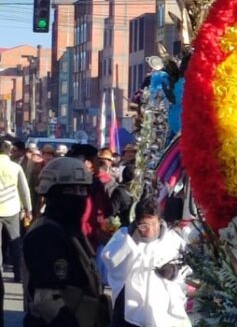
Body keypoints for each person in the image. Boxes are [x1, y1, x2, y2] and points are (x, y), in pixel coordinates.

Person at [22, 157, 111, 327]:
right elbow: (46, 300)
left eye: (82, 190)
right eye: (71, 190)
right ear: (52, 193)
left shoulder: (69, 228)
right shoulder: (45, 233)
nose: (79, 197)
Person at [102, 197, 191, 327]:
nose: (150, 231)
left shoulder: (172, 240)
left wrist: (174, 271)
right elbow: (110, 260)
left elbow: (187, 266)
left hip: (160, 311)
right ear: (137, 222)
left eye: (154, 225)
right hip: (129, 308)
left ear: (160, 221)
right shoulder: (124, 236)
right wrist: (130, 242)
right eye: (144, 226)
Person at [0, 139, 33, 323]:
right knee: (15, 243)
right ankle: (18, 274)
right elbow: (24, 189)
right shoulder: (15, 167)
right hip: (12, 209)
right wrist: (28, 208)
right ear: (10, 151)